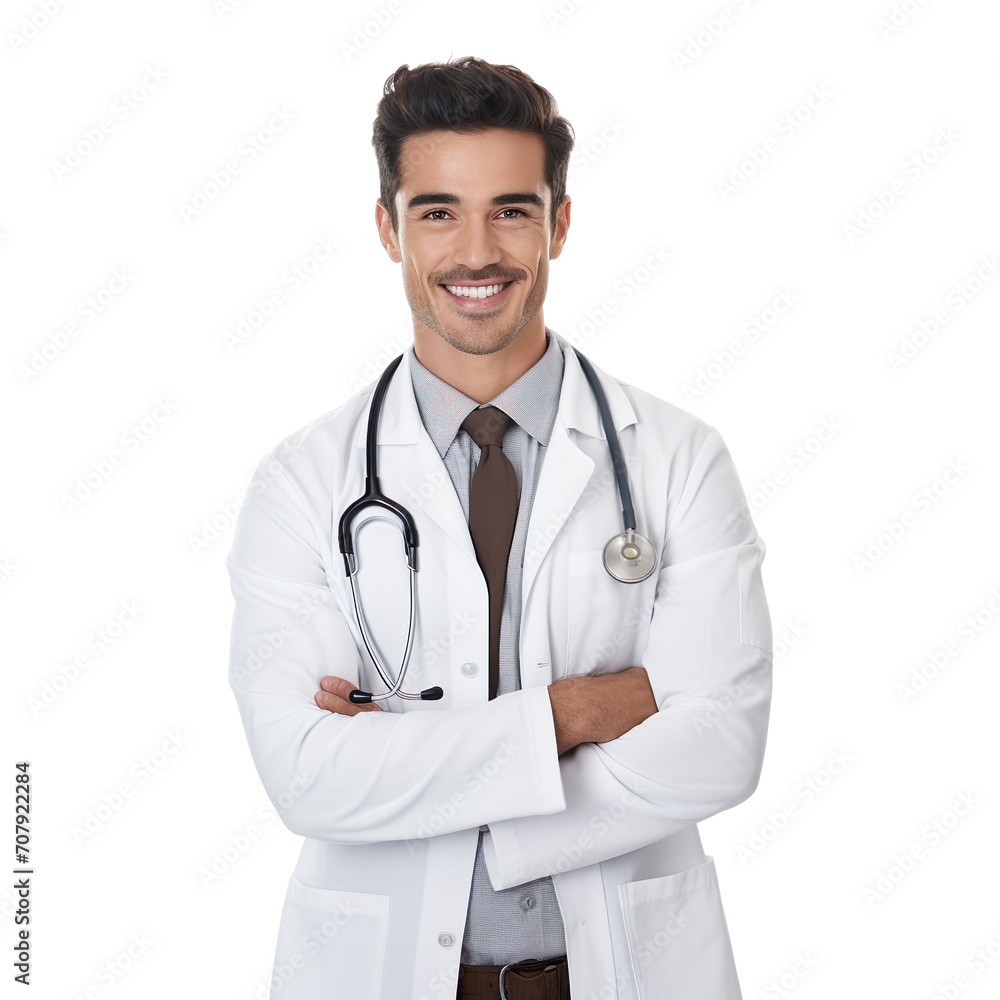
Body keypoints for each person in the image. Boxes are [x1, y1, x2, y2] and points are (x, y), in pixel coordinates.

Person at [227, 55, 773, 1000]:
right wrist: (574, 716)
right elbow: (305, 778)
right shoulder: (301, 482)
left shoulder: (680, 458)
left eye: (511, 210)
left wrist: (415, 768)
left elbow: (721, 746)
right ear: (387, 231)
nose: (476, 251)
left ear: (559, 223)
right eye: (437, 211)